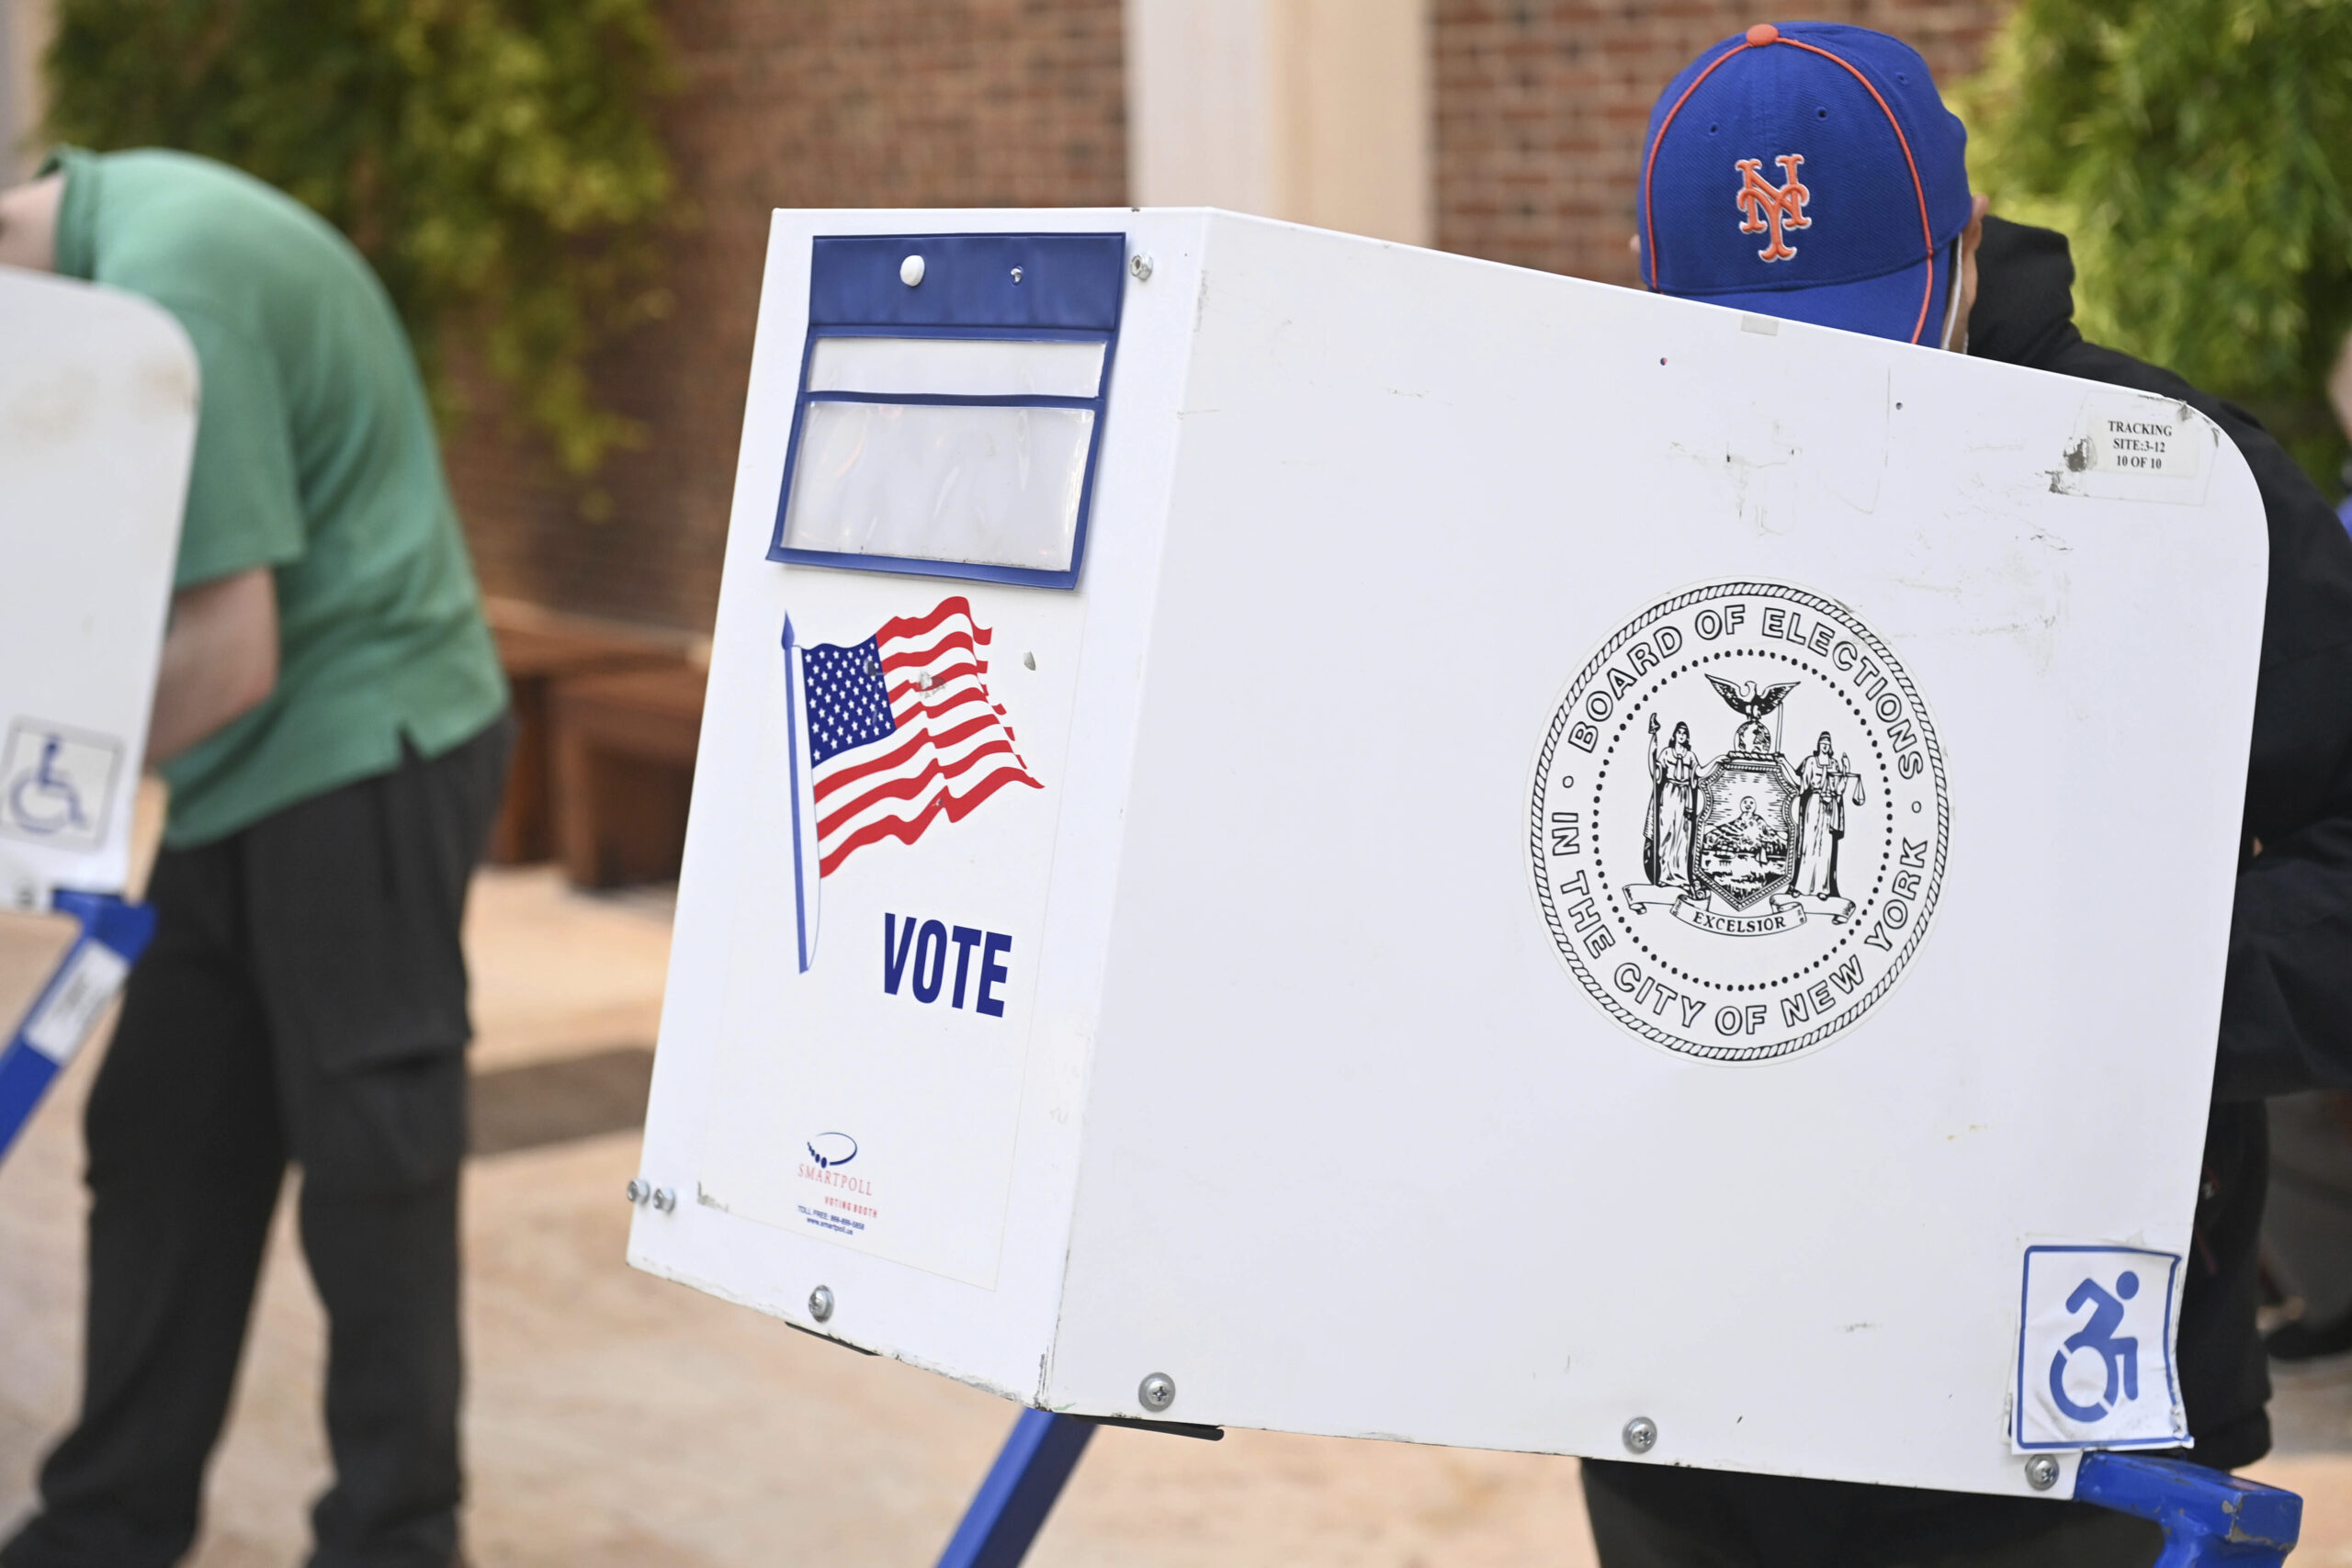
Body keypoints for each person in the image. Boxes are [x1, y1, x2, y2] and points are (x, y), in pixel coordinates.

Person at [1582, 21, 2352, 1566]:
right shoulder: (1587, 478)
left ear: (1971, 238)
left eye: (1868, 334)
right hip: (1692, 1382)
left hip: (2061, 1398)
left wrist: (2119, 1009)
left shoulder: (2179, 491)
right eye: (1761, 344)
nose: (1821, 395)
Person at [0, 147, 511, 1568]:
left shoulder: (174, 295)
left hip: (365, 736)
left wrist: (32, 808)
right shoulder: (90, 265)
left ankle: (397, 1538)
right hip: (246, 770)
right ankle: (108, 1521)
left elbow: (229, 650)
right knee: (163, 1139)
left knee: (370, 1160)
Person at [1645, 714, 1700, 887]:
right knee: (1666, 833)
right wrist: (1653, 741)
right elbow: (1656, 771)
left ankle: (1681, 877)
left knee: (1683, 836)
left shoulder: (1690, 755)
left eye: (1685, 733)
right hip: (1668, 795)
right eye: (1679, 732)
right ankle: (1664, 875)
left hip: (1684, 796)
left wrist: (1718, 763)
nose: (1682, 736)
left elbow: (1699, 773)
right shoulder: (1666, 753)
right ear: (1674, 735)